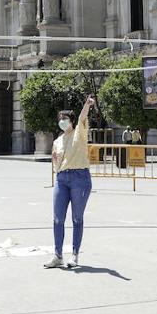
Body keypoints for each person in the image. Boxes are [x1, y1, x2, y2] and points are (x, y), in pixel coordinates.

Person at [45, 96, 95, 270]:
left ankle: (74, 255)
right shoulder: (57, 141)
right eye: (60, 119)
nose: (62, 122)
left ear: (72, 121)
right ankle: (58, 255)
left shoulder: (79, 133)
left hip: (79, 178)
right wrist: (55, 160)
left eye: (65, 119)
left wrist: (87, 105)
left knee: (77, 218)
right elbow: (56, 163)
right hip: (61, 178)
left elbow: (82, 118)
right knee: (58, 218)